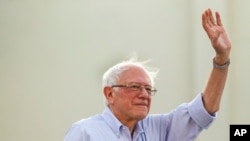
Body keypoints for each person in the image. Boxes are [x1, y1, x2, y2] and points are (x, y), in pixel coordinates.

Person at [64, 8, 231, 141]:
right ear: (109, 94)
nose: (144, 95)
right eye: (135, 87)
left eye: (148, 89)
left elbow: (203, 111)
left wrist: (222, 58)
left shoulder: (160, 129)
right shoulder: (85, 132)